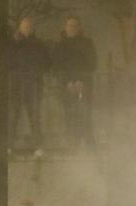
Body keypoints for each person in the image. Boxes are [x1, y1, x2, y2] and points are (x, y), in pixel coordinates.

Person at [53, 15, 97, 147]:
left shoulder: (88, 43)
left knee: (85, 112)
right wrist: (68, 82)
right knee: (69, 113)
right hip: (67, 86)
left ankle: (86, 141)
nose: (72, 28)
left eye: (75, 25)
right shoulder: (60, 45)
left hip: (84, 84)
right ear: (65, 28)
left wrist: (81, 81)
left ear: (79, 28)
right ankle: (72, 141)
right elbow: (57, 66)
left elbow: (92, 63)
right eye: (69, 25)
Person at [11, 15, 50, 152]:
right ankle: (9, 146)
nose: (27, 29)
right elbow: (7, 63)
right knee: (13, 115)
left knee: (35, 116)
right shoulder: (12, 44)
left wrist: (37, 72)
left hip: (34, 85)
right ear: (20, 28)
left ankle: (38, 147)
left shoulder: (39, 44)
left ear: (33, 29)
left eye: (29, 27)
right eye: (25, 26)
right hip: (16, 85)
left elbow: (46, 63)